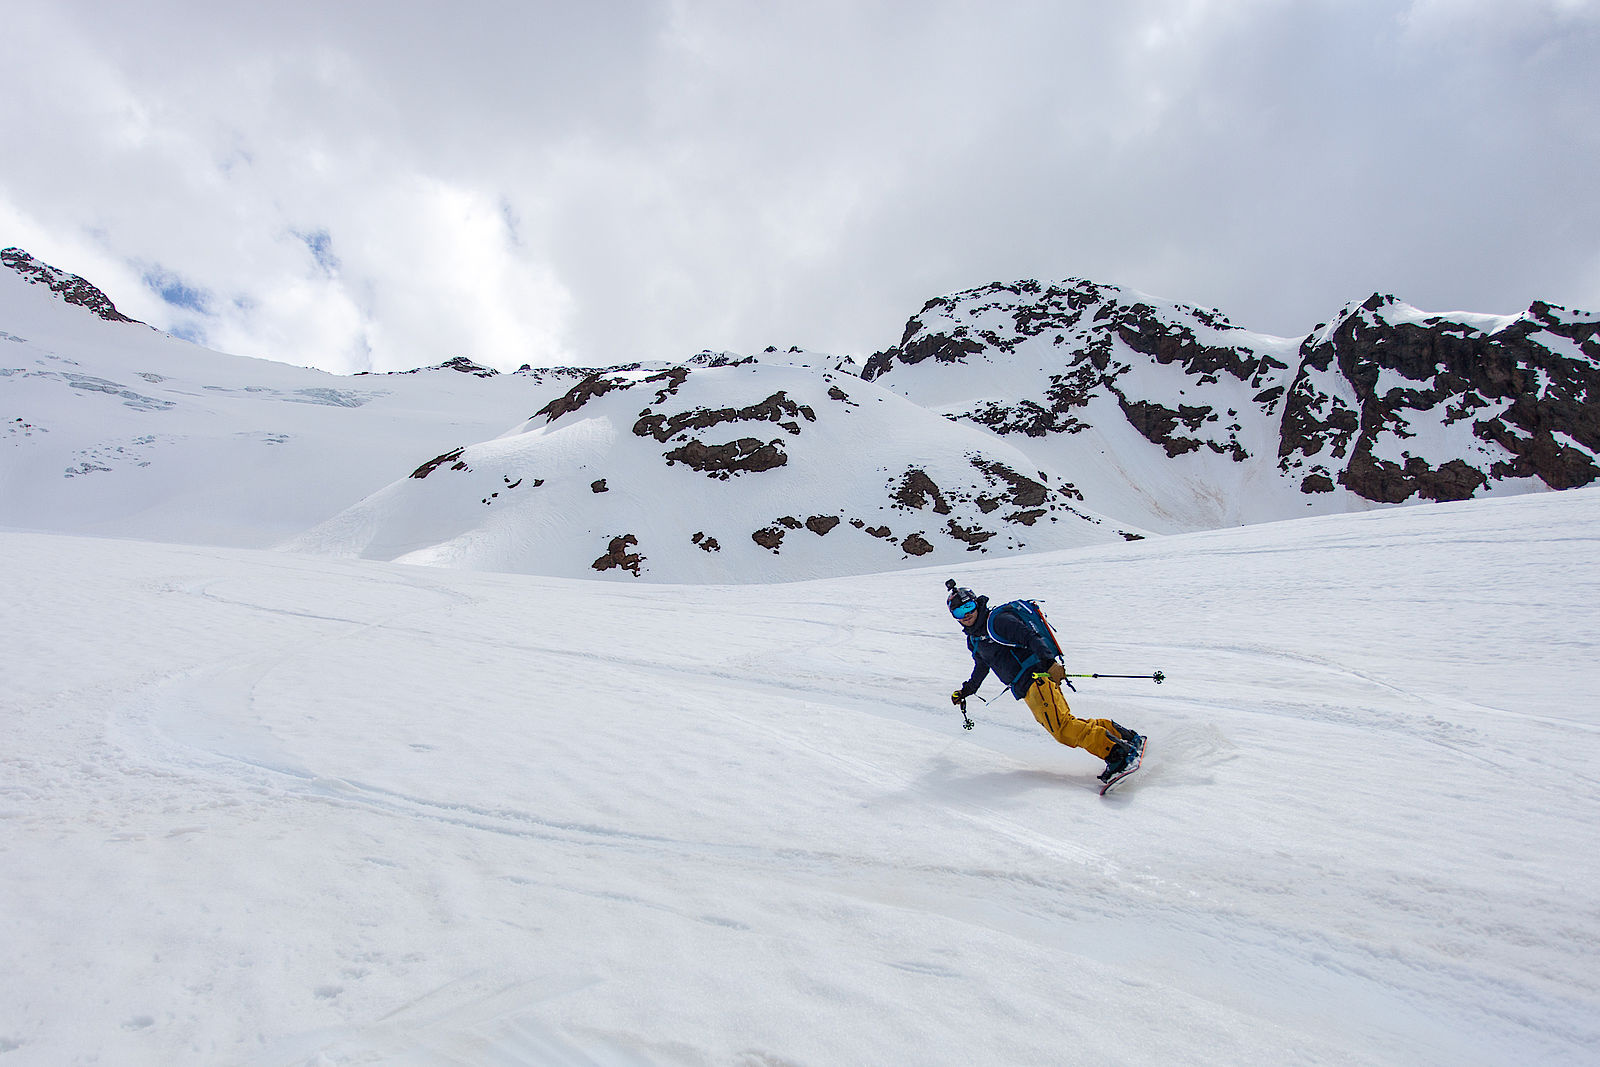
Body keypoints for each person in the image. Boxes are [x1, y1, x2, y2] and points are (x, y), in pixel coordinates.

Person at [945, 579, 1144, 782]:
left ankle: (1118, 754)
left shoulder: (997, 621)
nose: (967, 614)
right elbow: (981, 667)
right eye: (959, 612)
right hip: (1026, 687)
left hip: (1037, 678)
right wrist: (966, 690)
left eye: (969, 606)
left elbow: (1030, 637)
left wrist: (1050, 664)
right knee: (1066, 722)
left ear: (977, 603)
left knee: (1062, 730)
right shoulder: (975, 639)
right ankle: (1124, 737)